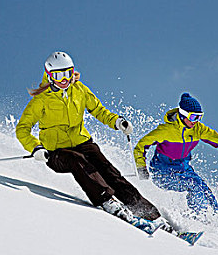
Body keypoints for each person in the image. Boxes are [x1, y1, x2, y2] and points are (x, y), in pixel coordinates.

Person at [15, 51, 169, 229]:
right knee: (77, 160)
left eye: (67, 73)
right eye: (58, 75)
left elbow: (98, 110)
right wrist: (35, 148)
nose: (64, 79)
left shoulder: (80, 90)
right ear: (49, 76)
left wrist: (117, 122)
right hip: (56, 153)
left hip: (83, 142)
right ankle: (108, 201)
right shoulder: (41, 100)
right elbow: (22, 129)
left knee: (110, 173)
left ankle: (149, 213)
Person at [133, 93, 218, 215]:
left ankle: (216, 220)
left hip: (184, 170)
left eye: (199, 117)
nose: (196, 121)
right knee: (194, 185)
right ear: (183, 115)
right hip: (162, 173)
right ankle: (199, 219)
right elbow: (140, 147)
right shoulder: (165, 131)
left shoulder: (198, 129)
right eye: (193, 117)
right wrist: (141, 168)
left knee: (205, 189)